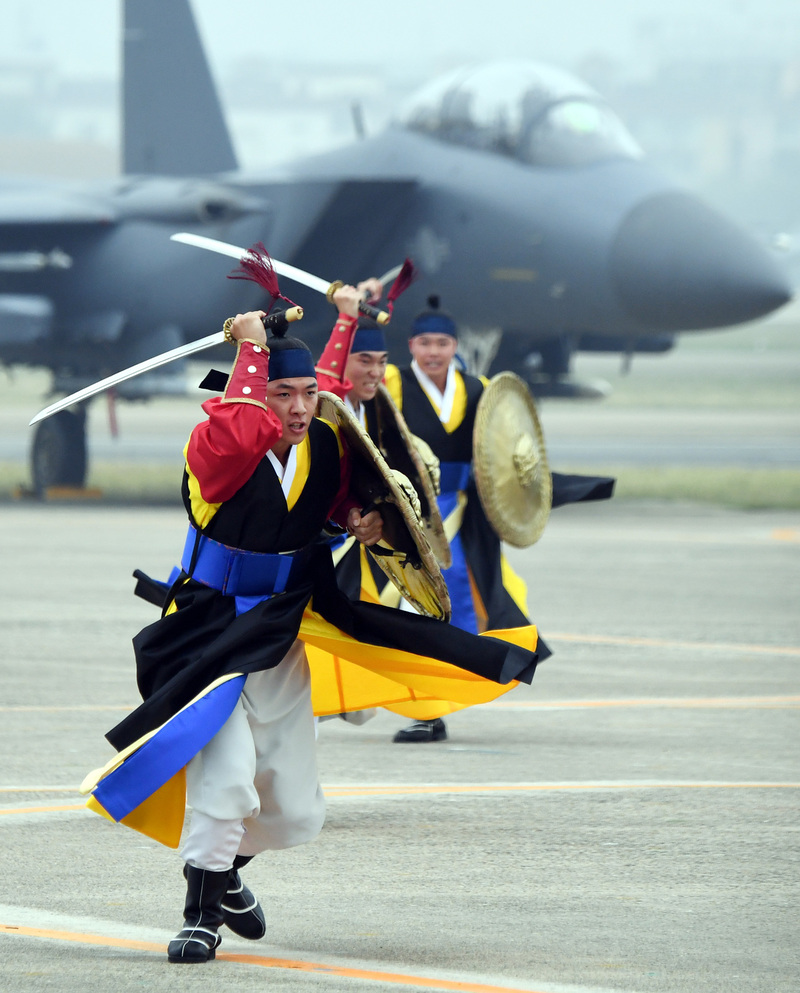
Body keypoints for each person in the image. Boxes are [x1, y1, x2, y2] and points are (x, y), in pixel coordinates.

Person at [81, 273, 541, 965]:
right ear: (253, 387)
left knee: (294, 809)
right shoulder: (210, 448)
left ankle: (222, 869)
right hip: (208, 632)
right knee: (227, 771)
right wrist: (250, 349)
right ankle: (199, 913)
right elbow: (244, 426)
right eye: (281, 394)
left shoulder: (322, 446)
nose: (298, 408)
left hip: (285, 629)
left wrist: (365, 520)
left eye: (305, 397)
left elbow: (351, 487)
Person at [381, 296, 614, 743]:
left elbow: (500, 450)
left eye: (443, 343)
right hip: (411, 514)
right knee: (410, 605)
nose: (433, 352)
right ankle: (424, 708)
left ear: (455, 346)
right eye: (425, 342)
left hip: (464, 517)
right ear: (410, 345)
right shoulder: (393, 384)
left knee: (465, 605)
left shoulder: (479, 388)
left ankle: (443, 697)